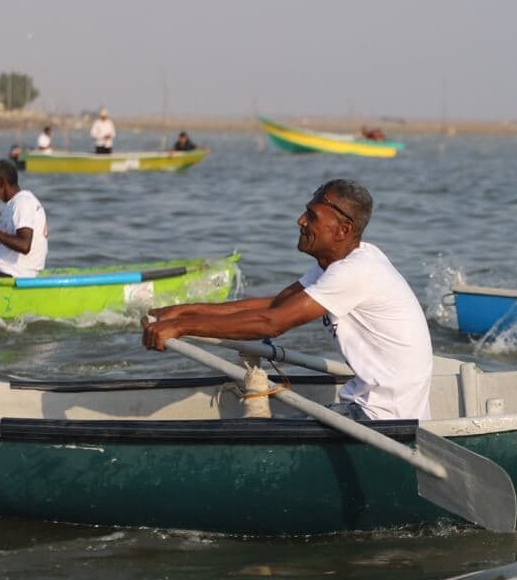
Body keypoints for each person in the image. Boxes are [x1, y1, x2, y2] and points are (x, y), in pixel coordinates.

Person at [142, 179, 434, 420]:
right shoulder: (336, 264)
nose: (301, 220)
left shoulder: (356, 271)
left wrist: (182, 328)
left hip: (385, 417)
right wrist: (182, 312)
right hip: (367, 404)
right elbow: (273, 305)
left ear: (343, 230)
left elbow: (272, 323)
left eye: (312, 216)